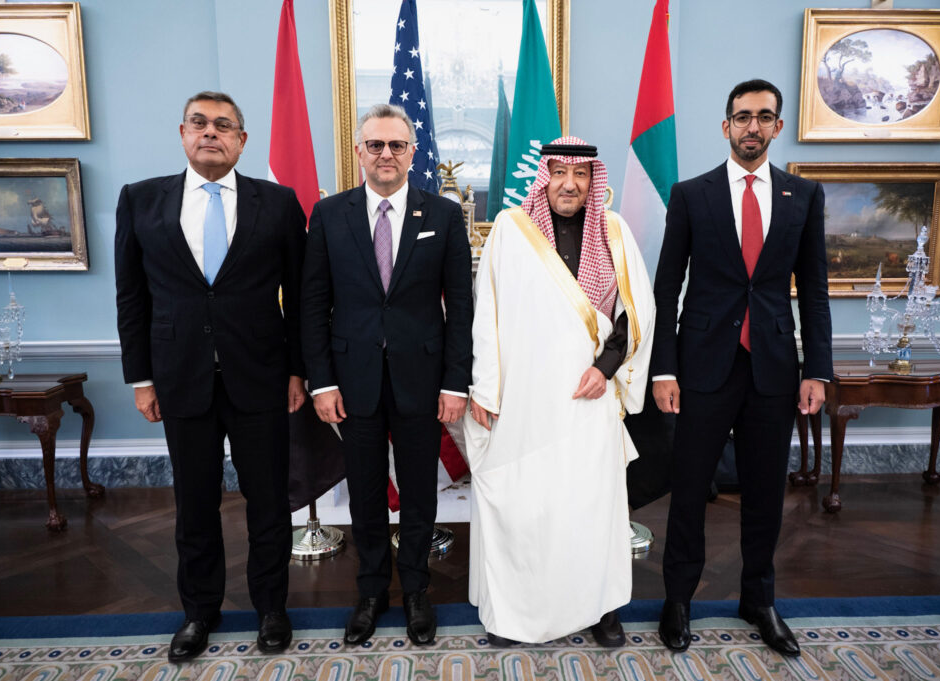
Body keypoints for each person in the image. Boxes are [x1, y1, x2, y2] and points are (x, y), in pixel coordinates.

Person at [115, 91, 307, 662]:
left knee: (268, 502)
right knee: (194, 504)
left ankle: (271, 608)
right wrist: (140, 378)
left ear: (241, 141)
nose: (210, 133)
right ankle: (199, 612)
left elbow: (300, 298)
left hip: (262, 378)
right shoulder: (141, 199)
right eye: (199, 123)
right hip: (180, 378)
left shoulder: (278, 203)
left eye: (223, 126)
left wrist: (299, 370)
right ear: (182, 133)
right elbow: (131, 297)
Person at [651, 79, 832, 657]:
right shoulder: (690, 194)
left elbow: (816, 291)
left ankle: (759, 599)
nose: (753, 126)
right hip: (701, 367)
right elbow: (665, 289)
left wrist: (818, 370)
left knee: (765, 491)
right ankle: (678, 599)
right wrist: (663, 369)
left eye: (764, 116)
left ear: (777, 126)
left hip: (774, 368)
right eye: (743, 116)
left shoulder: (804, 196)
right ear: (726, 125)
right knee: (688, 488)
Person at [466, 137, 655, 646]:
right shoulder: (511, 229)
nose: (569, 184)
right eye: (559, 173)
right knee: (525, 504)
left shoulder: (613, 231)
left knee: (592, 506)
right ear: (544, 176)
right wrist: (485, 390)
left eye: (581, 174)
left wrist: (606, 368)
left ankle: (600, 608)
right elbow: (488, 314)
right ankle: (516, 612)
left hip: (589, 397)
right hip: (524, 397)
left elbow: (637, 311)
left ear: (593, 180)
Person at [301, 103, 473, 646]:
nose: (386, 154)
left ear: (412, 152)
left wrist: (455, 382)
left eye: (396, 145)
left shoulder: (442, 214)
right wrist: (322, 382)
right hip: (352, 384)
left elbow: (461, 307)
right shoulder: (329, 215)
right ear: (359, 151)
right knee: (366, 494)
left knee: (420, 492)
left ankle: (417, 589)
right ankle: (371, 591)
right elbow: (313, 303)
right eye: (375, 144)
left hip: (423, 381)